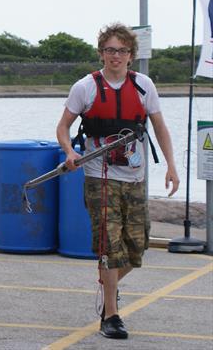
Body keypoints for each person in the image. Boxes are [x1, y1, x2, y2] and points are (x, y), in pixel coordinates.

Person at [56, 23, 179, 340]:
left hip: (135, 178)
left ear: (131, 56)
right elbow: (63, 127)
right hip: (100, 177)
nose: (115, 56)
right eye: (109, 50)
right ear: (101, 53)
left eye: (122, 50)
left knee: (137, 246)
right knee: (109, 247)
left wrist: (171, 166)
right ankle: (110, 314)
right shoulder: (85, 87)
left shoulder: (144, 86)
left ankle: (107, 283)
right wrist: (69, 151)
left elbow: (161, 128)